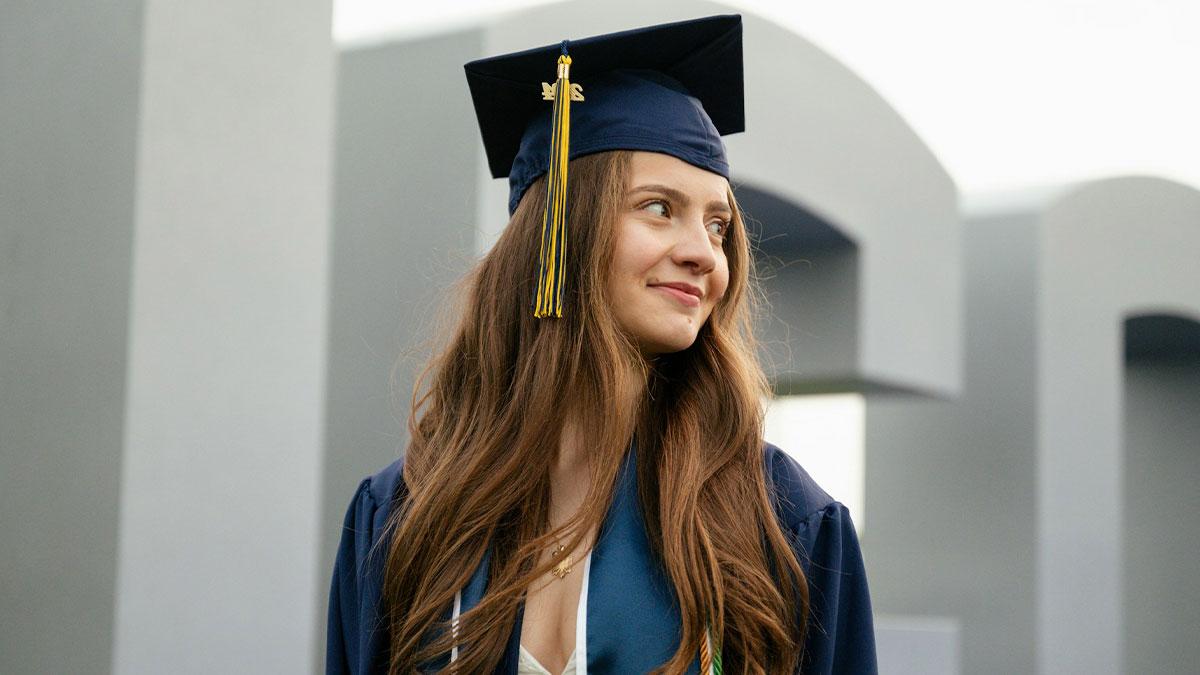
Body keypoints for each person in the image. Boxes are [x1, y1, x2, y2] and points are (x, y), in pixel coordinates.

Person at [327, 15, 876, 675]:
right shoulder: (404, 515)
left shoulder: (780, 521)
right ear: (559, 232)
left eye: (718, 223)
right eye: (657, 207)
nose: (705, 253)